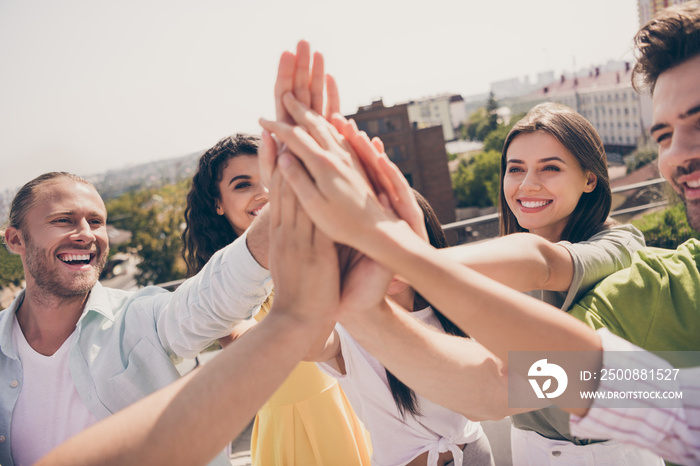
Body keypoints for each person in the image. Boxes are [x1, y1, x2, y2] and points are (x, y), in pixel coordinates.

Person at [0, 171, 272, 466]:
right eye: (63, 220)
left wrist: (283, 210)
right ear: (16, 240)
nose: (86, 234)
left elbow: (209, 298)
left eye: (96, 222)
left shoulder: (140, 316)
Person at [182, 132, 370, 465]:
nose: (264, 193)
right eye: (243, 185)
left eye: (272, 179)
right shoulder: (218, 283)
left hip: (356, 403)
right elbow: (243, 344)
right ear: (217, 203)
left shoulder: (321, 246)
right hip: (292, 426)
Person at [308, 190, 494, 466]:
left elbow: (497, 390)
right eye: (372, 244)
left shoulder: (455, 305)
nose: (389, 257)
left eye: (401, 240)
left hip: (474, 453)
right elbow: (309, 346)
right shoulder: (345, 326)